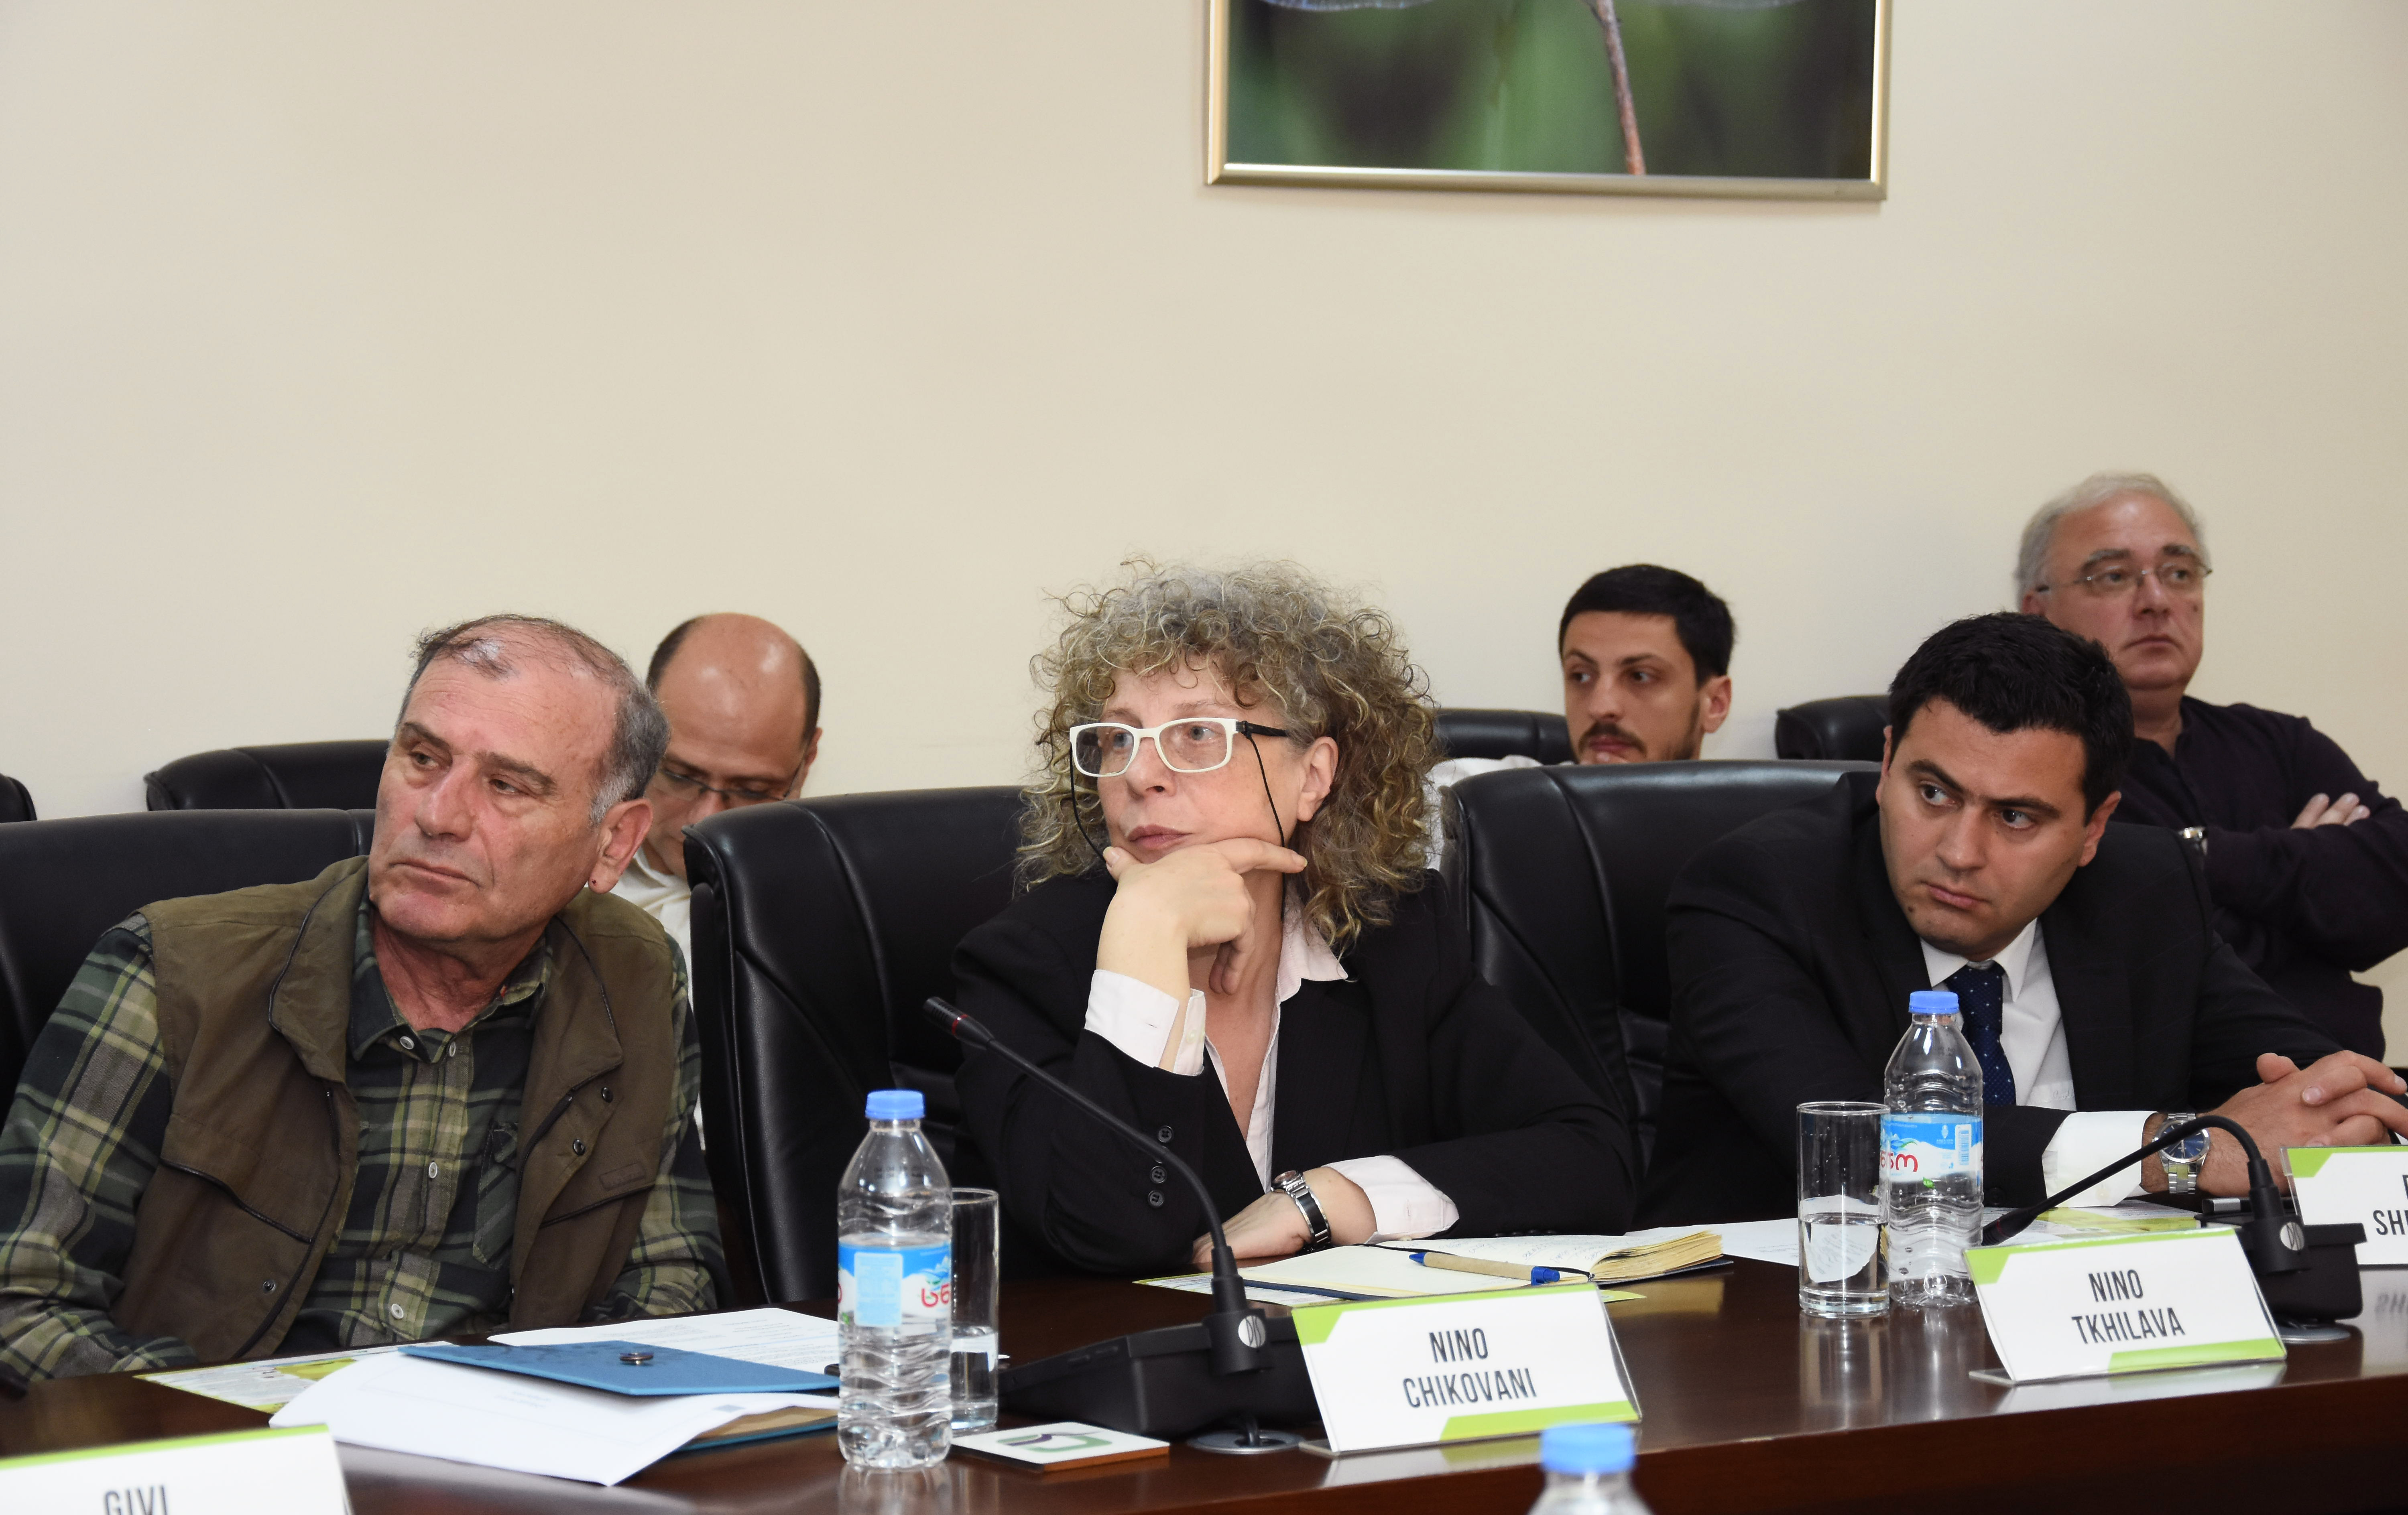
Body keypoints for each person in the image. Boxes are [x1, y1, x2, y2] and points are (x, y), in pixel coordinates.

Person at [0, 616, 722, 1385]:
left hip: (503, 1437)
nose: (437, 815)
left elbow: (670, 1277)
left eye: (507, 786)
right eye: (423, 758)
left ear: (613, 844)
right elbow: (21, 1304)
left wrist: (563, 1412)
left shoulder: (635, 976)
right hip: (226, 1437)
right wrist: (262, 1429)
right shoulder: (171, 973)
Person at [954, 563, 1637, 1277]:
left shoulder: (1389, 940)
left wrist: (1337, 1198)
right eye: (1118, 739)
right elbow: (1108, 1230)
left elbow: (1592, 1160)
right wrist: (1146, 939)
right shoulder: (1026, 963)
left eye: (1197, 734)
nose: (1140, 775)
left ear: (1313, 777)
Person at [1643, 612, 2406, 1226]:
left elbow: (2315, 1078)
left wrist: (2333, 1110)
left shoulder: (2146, 888)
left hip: (2091, 1321)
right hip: (1788, 1325)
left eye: (2015, 817)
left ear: (2094, 827)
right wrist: (2177, 1151)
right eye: (1933, 793)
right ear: (1887, 763)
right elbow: (1861, 1143)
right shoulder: (1754, 892)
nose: (1959, 853)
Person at [2018, 472, 2408, 1059]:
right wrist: (2304, 892)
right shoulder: (2030, 770)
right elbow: (2144, 962)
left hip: (2356, 1086)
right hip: (2188, 1105)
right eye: (2115, 576)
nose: (2156, 601)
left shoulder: (2281, 743)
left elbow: (2395, 888)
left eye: (2179, 572)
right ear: (2038, 611)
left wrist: (2204, 857)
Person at [612, 613, 822, 965]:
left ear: (807, 761)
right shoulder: (554, 872)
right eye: (680, 776)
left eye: (752, 790)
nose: (706, 819)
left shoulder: (844, 912)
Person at [1428, 564, 1733, 791]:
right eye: (1581, 676)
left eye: (1640, 676)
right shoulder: (1481, 797)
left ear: (1715, 704)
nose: (1601, 707)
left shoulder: (1754, 830)